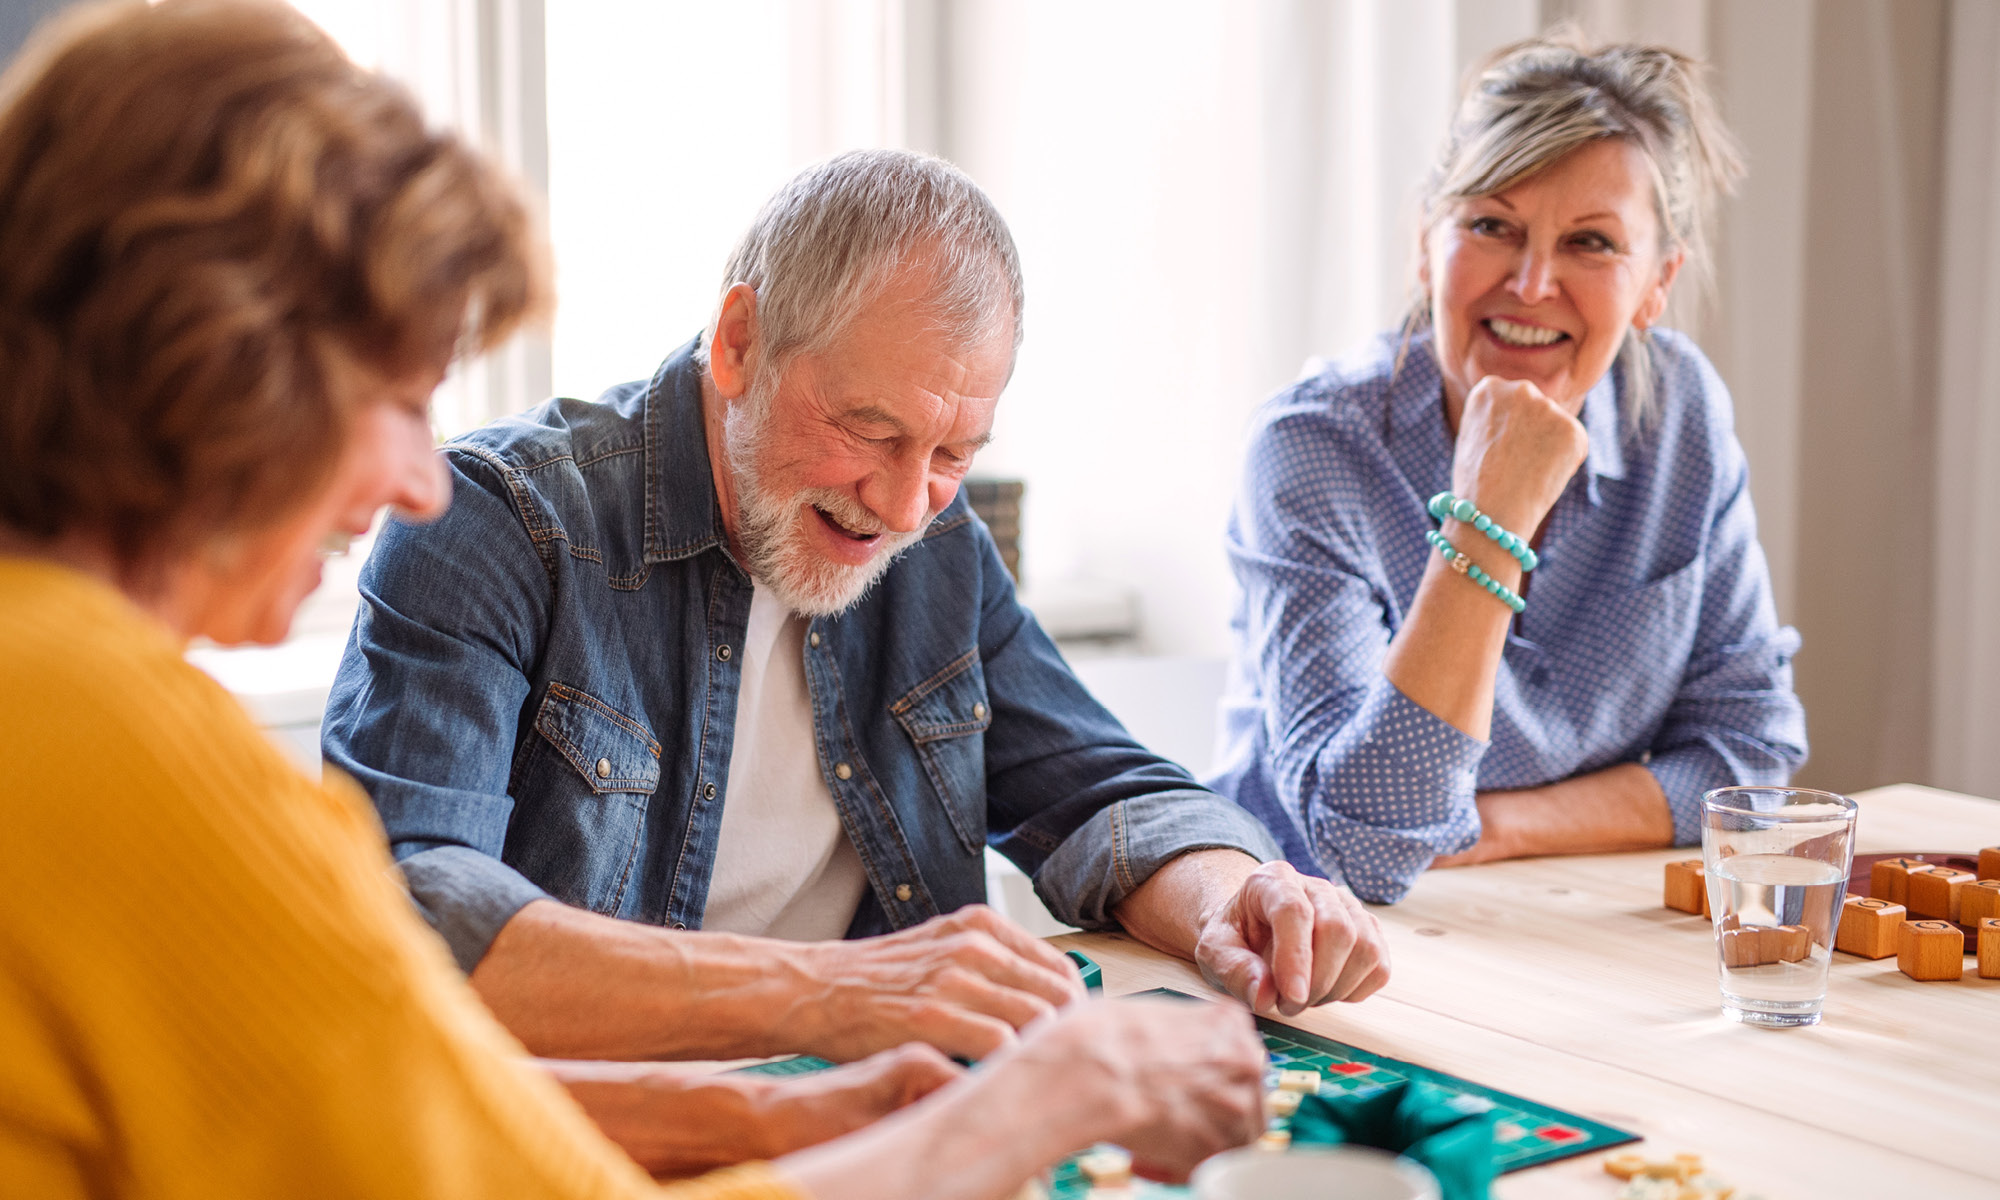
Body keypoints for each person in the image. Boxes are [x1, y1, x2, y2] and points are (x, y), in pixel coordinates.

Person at [0, 4, 1272, 1197]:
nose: (409, 475)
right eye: (393, 397)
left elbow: (427, 1107)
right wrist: (1007, 1108)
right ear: (212, 363)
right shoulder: (112, 728)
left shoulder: (58, 679)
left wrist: (790, 1114)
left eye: (945, 457)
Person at [321, 147, 1391, 1063]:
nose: (901, 503)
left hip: (875, 1104)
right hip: (593, 1127)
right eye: (870, 431)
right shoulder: (495, 520)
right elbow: (416, 908)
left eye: (952, 453)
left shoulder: (936, 542)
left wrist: (1234, 899)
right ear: (738, 340)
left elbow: (1094, 790)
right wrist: (834, 995)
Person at [1207, 32, 1808, 904]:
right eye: (1492, 225)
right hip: (1297, 937)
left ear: (1656, 283)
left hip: (1542, 910)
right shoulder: (1312, 447)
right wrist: (1489, 518)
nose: (1530, 285)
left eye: (1591, 244)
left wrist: (1500, 825)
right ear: (1426, 246)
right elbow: (1367, 849)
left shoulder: (1678, 412)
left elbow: (1748, 757)